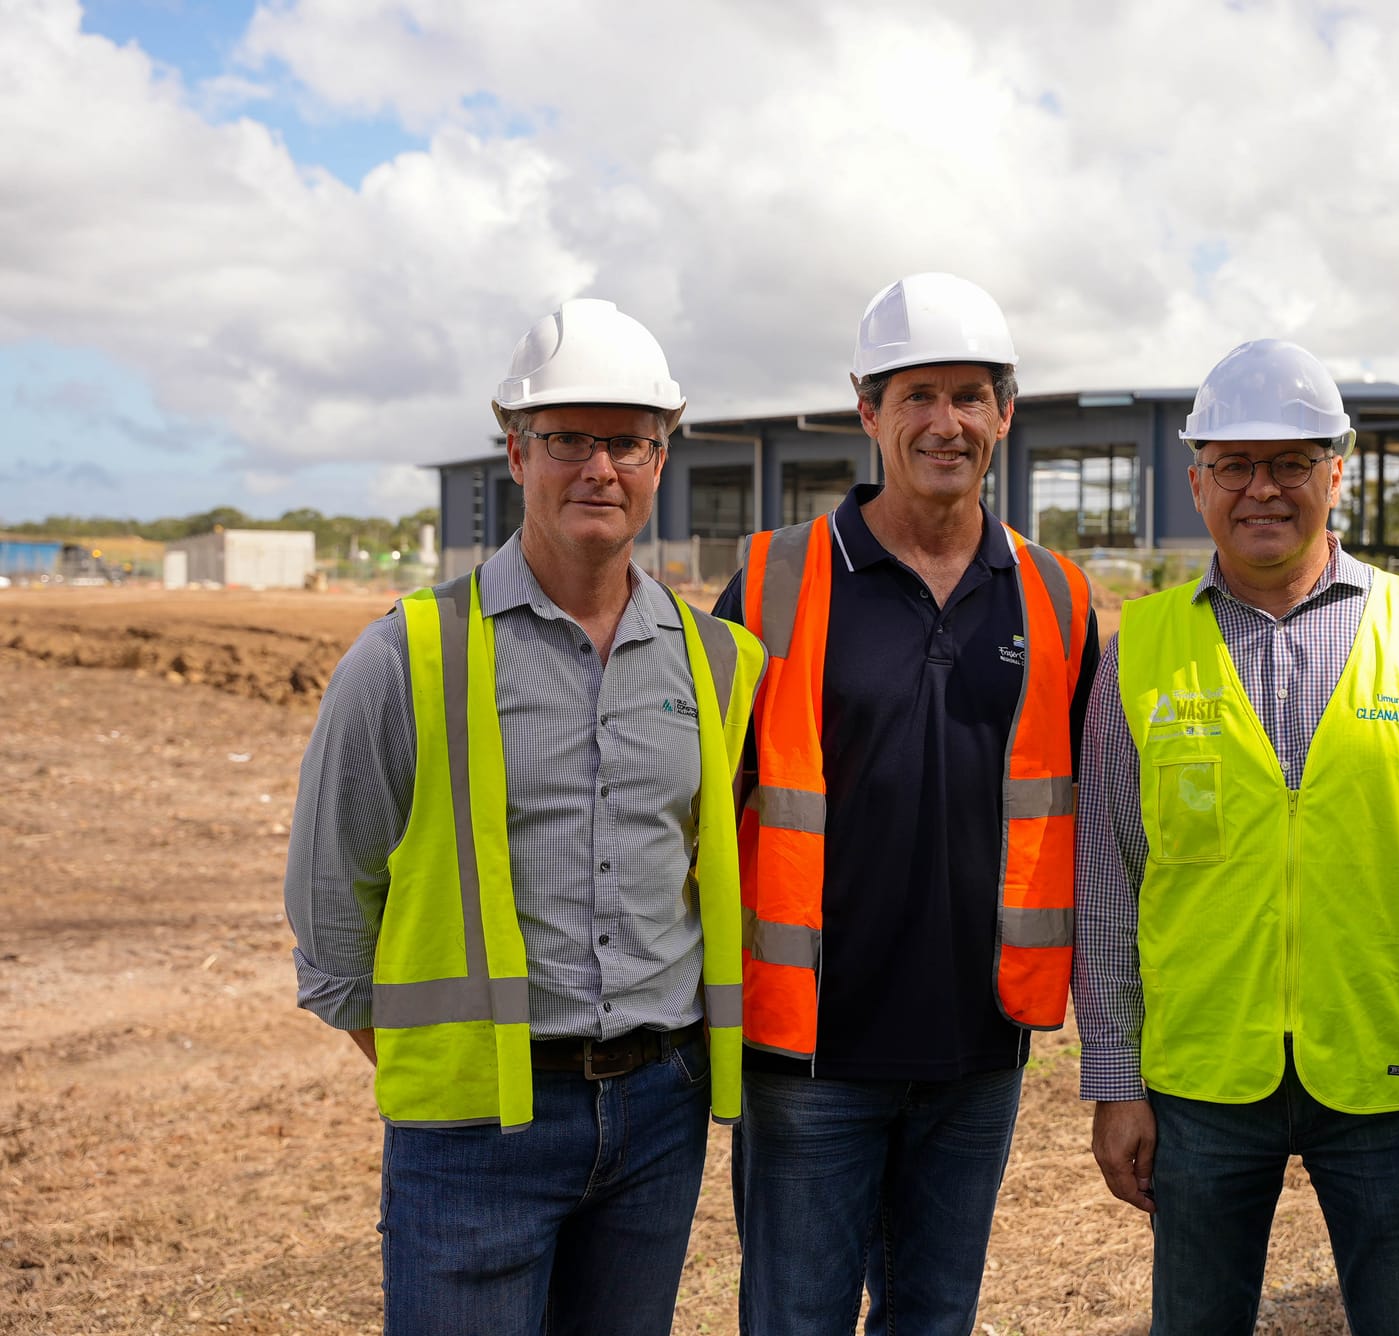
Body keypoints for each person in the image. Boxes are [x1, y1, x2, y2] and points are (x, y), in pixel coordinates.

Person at [283, 298, 764, 1336]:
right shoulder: (405, 656)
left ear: (660, 456)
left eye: (628, 441)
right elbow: (332, 917)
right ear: (514, 451)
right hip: (475, 1128)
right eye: (568, 439)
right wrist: (450, 1058)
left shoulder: (721, 663)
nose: (600, 466)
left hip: (658, 1112)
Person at [1074, 338, 1399, 1336]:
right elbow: (1105, 875)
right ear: (1196, 480)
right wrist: (1114, 1079)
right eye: (1234, 464)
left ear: (1336, 471)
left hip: (1384, 1075)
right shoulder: (1138, 651)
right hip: (1197, 1078)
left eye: (1288, 462)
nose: (1261, 489)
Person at [711, 272, 1099, 1335]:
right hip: (809, 1058)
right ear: (865, 409)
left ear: (1005, 414)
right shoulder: (769, 581)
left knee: (934, 1321)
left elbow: (1091, 824)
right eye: (915, 394)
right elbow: (693, 818)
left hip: (979, 1051)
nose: (945, 421)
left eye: (970, 395)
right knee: (795, 1321)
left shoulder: (1055, 597)